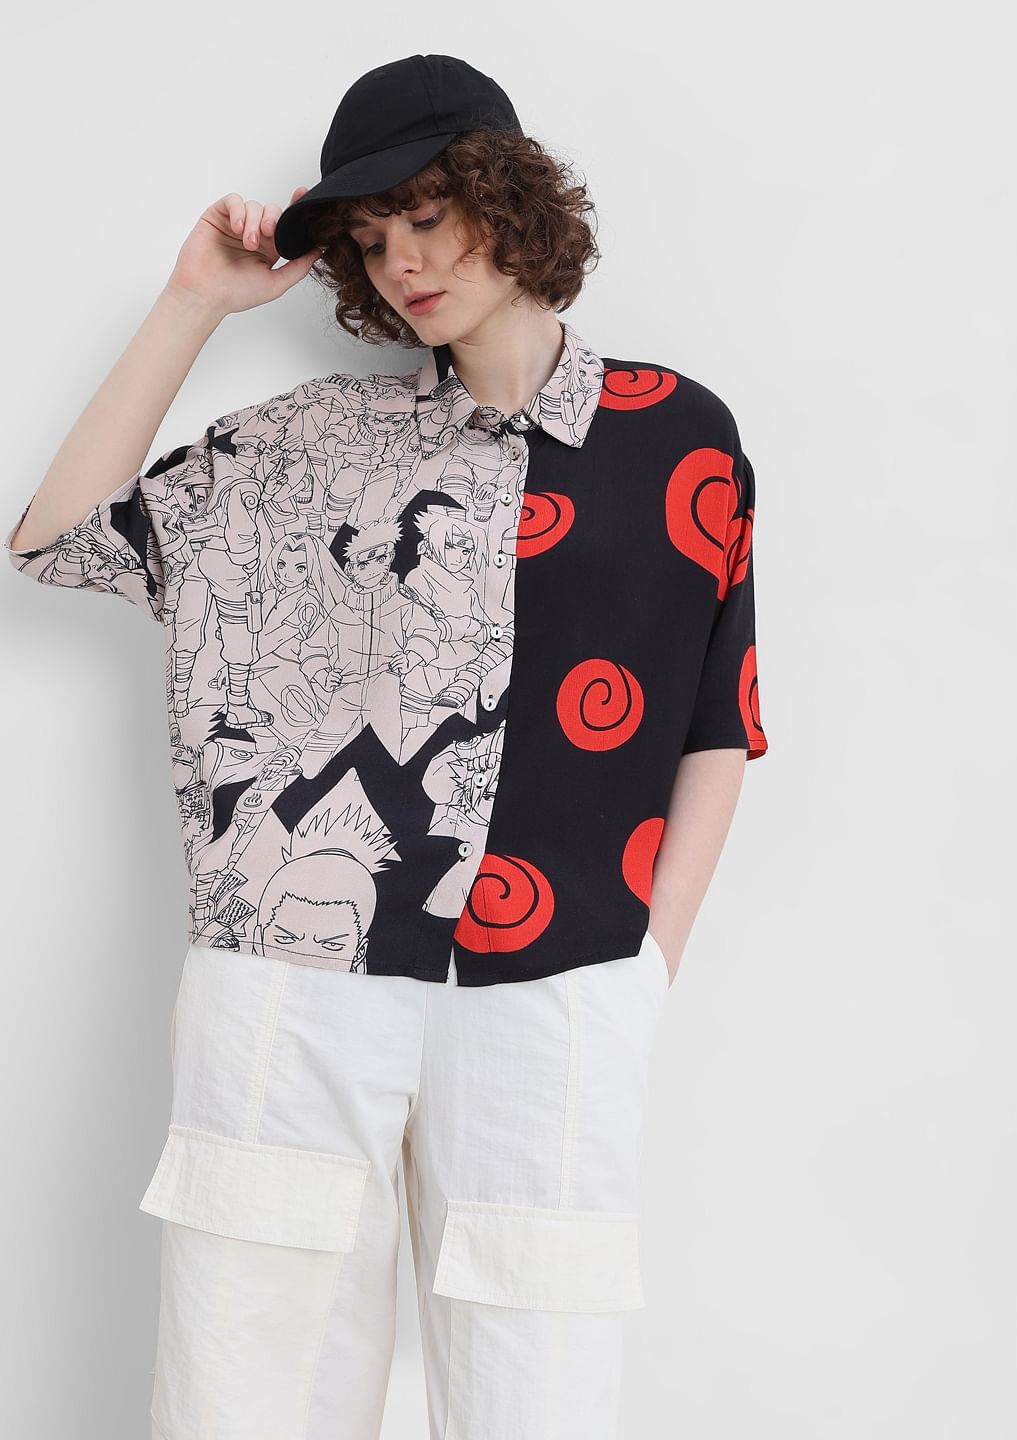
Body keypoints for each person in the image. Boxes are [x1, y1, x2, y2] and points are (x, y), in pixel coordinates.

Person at [5, 52, 768, 1440]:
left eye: (426, 215)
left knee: (540, 1402)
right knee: (247, 1400)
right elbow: (55, 539)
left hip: (559, 983)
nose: (401, 261)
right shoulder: (311, 444)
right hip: (295, 975)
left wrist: (647, 969)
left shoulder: (681, 437)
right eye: (370, 239)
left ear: (508, 201)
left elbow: (719, 718)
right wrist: (192, 302)